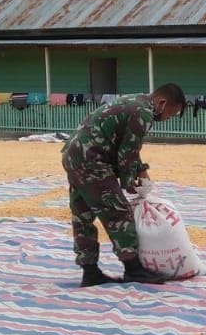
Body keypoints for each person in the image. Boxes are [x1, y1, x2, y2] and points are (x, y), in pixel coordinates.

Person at [61, 83, 187, 287]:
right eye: (172, 113)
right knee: (118, 212)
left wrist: (141, 168)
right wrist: (130, 183)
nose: (168, 118)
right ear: (162, 103)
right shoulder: (143, 113)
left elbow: (125, 145)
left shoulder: (135, 101)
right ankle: (133, 269)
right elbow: (127, 154)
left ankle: (90, 272)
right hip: (92, 161)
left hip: (75, 155)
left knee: (82, 215)